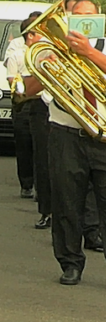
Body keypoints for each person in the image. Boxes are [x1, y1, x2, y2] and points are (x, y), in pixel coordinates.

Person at [24, 0, 106, 286]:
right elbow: (28, 89)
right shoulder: (50, 48)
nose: (84, 20)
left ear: (99, 19)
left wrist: (88, 52)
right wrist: (47, 68)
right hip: (65, 134)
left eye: (90, 15)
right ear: (68, 18)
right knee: (66, 201)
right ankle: (70, 263)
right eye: (78, 15)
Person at [5, 12, 42, 199]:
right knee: (24, 145)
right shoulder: (16, 55)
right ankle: (26, 184)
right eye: (40, 32)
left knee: (41, 147)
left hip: (43, 103)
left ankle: (42, 187)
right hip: (24, 105)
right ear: (30, 35)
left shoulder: (47, 55)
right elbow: (14, 82)